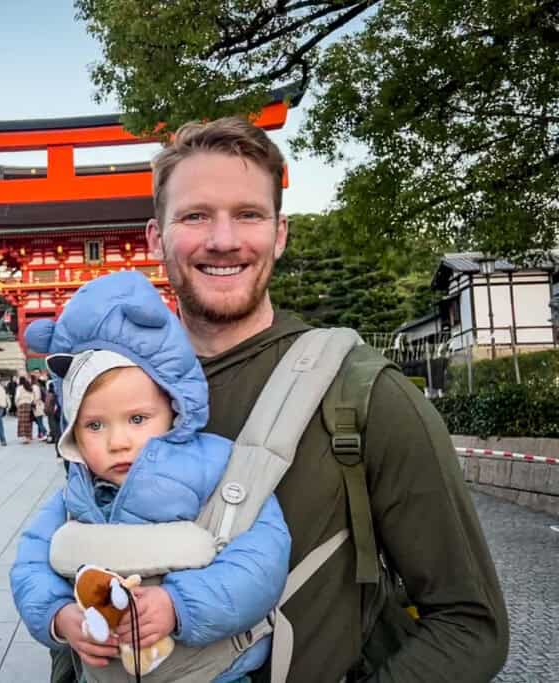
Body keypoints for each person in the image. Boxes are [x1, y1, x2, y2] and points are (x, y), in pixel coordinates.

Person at [33, 118, 510, 682]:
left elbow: (470, 625)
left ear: (279, 233)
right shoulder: (114, 393)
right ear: (155, 239)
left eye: (249, 215)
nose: (224, 240)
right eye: (194, 216)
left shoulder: (361, 394)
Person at [11, 274, 289, 682]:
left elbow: (262, 558)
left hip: (212, 674)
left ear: (175, 406)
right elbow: (30, 561)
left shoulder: (216, 465)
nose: (118, 442)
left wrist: (178, 605)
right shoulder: (77, 491)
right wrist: (58, 615)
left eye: (138, 419)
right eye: (94, 426)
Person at [14, 376, 35, 444]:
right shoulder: (29, 387)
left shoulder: (19, 388)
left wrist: (17, 404)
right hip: (28, 405)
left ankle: (24, 438)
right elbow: (32, 397)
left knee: (22, 422)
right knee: (28, 421)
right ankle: (29, 437)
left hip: (21, 405)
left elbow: (17, 397)